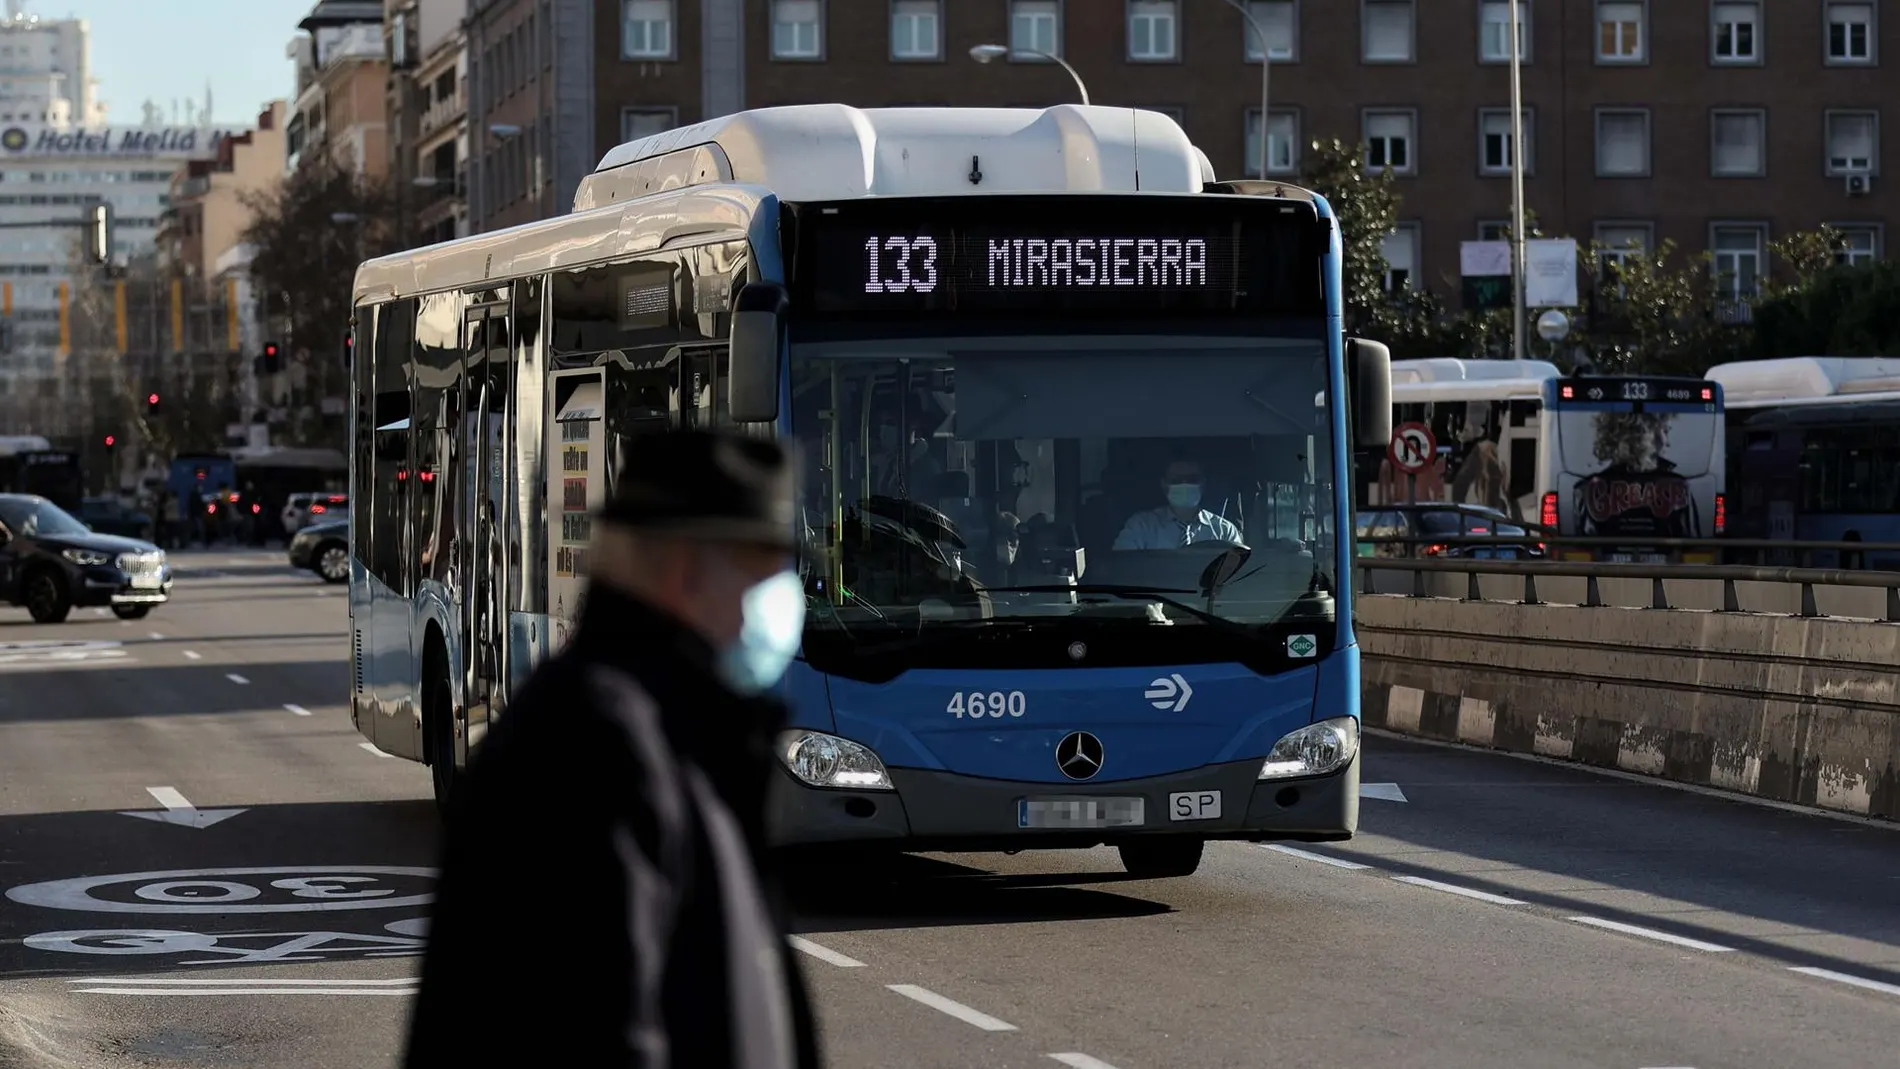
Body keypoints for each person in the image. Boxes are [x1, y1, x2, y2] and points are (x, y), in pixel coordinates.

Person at [403, 428, 821, 1069]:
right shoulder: (593, 746)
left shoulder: (674, 727)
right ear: (688, 571)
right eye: (766, 575)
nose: (785, 603)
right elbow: (594, 1031)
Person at [1112, 457, 1244, 549]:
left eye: (1192, 479)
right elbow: (1122, 568)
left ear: (1203, 484)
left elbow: (1237, 576)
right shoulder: (1141, 526)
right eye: (1177, 479)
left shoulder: (1224, 530)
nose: (1184, 484)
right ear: (1164, 485)